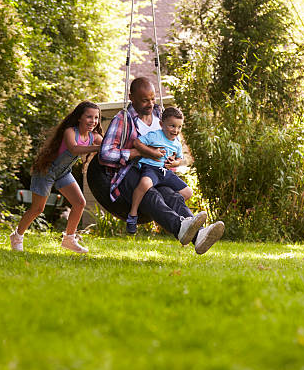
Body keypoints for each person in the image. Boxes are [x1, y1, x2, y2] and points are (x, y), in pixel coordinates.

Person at [87, 77, 224, 254]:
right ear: (132, 97)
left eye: (152, 98)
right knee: (150, 195)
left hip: (156, 171)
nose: (150, 104)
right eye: (144, 100)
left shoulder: (160, 116)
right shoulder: (124, 119)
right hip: (128, 173)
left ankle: (199, 236)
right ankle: (181, 227)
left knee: (172, 196)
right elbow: (105, 154)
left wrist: (171, 160)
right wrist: (138, 153)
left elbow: (171, 146)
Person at [10, 101, 104, 253]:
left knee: (79, 203)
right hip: (47, 171)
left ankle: (69, 239)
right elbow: (74, 149)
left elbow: (109, 144)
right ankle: (17, 236)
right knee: (37, 208)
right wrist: (99, 147)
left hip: (63, 172)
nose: (93, 121)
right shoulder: (70, 132)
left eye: (96, 118)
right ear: (79, 117)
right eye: (89, 117)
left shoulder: (94, 137)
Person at [126, 107, 192, 234]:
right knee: (145, 184)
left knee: (188, 192)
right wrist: (151, 152)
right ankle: (133, 214)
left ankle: (169, 213)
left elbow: (179, 158)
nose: (176, 130)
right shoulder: (155, 136)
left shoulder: (176, 143)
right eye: (172, 126)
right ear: (162, 124)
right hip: (151, 168)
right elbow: (137, 143)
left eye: (179, 127)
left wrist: (174, 162)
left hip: (165, 172)